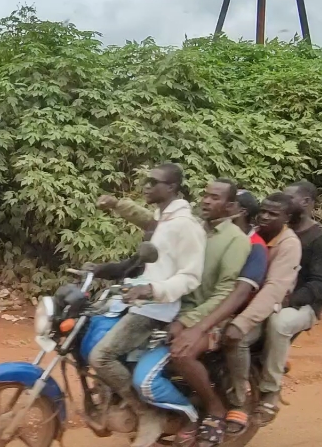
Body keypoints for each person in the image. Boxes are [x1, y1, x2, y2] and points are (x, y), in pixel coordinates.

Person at [86, 164, 206, 447]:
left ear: (172, 188)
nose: (146, 186)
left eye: (154, 182)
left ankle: (146, 413)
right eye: (146, 180)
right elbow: (146, 248)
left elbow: (190, 277)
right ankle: (110, 399)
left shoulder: (186, 226)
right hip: (139, 300)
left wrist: (152, 289)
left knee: (100, 357)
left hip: (158, 309)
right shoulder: (162, 218)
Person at [163, 179, 251, 447]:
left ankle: (214, 409)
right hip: (180, 308)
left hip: (213, 317)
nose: (206, 201)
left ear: (230, 205)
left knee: (182, 352)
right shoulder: (196, 230)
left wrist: (190, 322)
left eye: (215, 198)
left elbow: (225, 293)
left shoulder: (235, 240)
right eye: (205, 196)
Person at [252, 180, 322, 426]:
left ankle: (270, 390)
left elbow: (318, 285)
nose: (285, 203)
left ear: (307, 203)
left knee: (278, 324)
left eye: (292, 199)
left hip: (302, 307)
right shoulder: (272, 230)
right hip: (267, 296)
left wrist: (283, 301)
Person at [221, 192, 302, 434]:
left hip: (263, 308)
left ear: (286, 217)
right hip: (236, 302)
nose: (265, 217)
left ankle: (241, 398)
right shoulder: (249, 232)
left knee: (236, 339)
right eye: (263, 211)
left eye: (273, 214)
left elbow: (273, 289)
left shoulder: (289, 244)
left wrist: (242, 323)